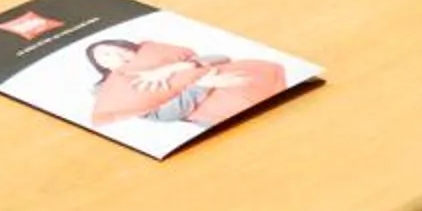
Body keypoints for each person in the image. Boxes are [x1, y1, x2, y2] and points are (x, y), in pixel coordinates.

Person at [84, 36, 279, 127]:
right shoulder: (118, 91)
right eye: (106, 54)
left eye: (119, 47)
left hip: (251, 83)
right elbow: (163, 115)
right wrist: (204, 84)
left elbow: (221, 57)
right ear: (102, 65)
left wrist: (173, 68)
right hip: (220, 114)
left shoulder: (159, 57)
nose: (117, 53)